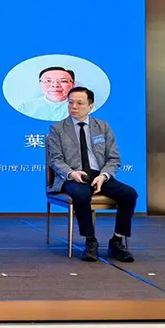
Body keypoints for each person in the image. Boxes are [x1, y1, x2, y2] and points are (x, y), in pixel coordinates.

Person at [46, 86, 137, 262]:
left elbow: (113, 158)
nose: (74, 107)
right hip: (73, 176)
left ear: (90, 106)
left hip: (99, 174)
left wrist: (103, 176)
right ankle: (90, 241)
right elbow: (55, 160)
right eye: (70, 103)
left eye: (79, 103)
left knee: (129, 194)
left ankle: (117, 241)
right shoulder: (57, 129)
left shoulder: (103, 127)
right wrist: (71, 174)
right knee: (81, 194)